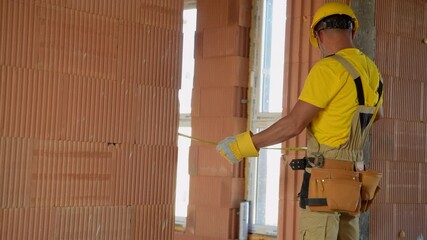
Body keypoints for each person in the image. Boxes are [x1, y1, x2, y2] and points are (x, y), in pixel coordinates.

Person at [216, 2, 384, 240]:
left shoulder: (328, 68)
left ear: (319, 35)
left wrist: (242, 145)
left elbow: (293, 124)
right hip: (353, 183)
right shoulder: (373, 72)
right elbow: (377, 115)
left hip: (325, 183)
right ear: (353, 32)